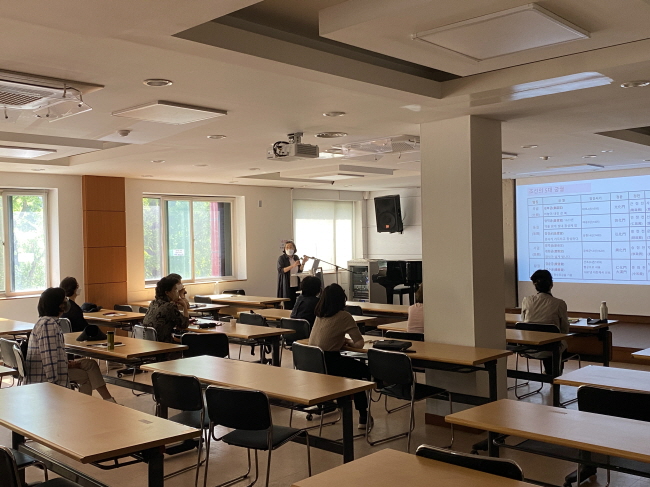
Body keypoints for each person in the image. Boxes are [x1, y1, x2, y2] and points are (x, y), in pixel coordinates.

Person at [25, 287, 117, 401]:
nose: (67, 302)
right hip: (44, 378)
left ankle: (107, 401)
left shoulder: (46, 322)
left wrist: (67, 363)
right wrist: (55, 389)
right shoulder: (49, 325)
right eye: (64, 299)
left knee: (90, 364)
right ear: (59, 305)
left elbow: (52, 355)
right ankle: (84, 406)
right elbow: (50, 362)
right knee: (86, 376)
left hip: (53, 369)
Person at [309, 283, 371, 429]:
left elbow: (324, 339)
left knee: (350, 368)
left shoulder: (319, 315)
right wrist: (349, 342)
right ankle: (363, 416)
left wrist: (341, 341)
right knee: (360, 373)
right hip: (331, 364)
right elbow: (359, 344)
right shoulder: (344, 316)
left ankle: (343, 402)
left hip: (314, 365)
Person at [521, 269, 569, 374]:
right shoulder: (559, 303)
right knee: (559, 341)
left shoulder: (526, 301)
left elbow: (523, 321)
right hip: (552, 349)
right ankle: (554, 374)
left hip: (528, 348)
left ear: (535, 285)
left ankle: (549, 372)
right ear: (551, 285)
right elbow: (565, 329)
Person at [143, 276, 190, 343]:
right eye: (175, 290)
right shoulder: (169, 306)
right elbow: (184, 324)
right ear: (167, 292)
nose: (177, 292)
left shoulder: (153, 303)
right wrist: (184, 306)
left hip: (150, 344)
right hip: (164, 345)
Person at [277, 240, 309, 310]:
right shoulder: (281, 258)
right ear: (284, 249)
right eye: (287, 247)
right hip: (287, 284)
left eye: (291, 247)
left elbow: (300, 270)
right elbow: (281, 270)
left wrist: (303, 262)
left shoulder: (296, 257)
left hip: (296, 284)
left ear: (294, 248)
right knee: (288, 304)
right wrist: (293, 265)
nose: (289, 249)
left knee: (296, 304)